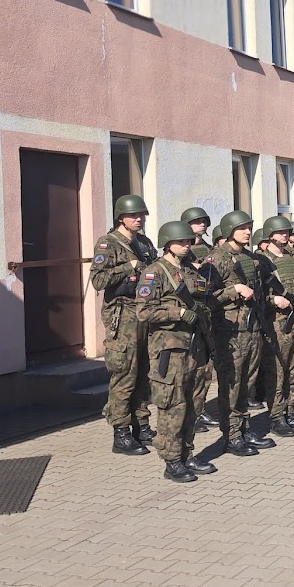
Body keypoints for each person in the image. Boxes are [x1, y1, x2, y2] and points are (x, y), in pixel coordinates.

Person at [135, 221, 215, 482]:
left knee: (194, 403)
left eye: (189, 241)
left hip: (195, 347)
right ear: (167, 242)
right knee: (173, 405)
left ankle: (186, 453)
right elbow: (143, 311)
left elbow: (204, 301)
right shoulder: (154, 273)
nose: (186, 245)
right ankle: (171, 461)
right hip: (170, 350)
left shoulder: (190, 272)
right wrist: (177, 312)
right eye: (180, 241)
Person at [90, 194, 159, 456]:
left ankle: (141, 425)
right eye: (133, 216)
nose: (138, 219)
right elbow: (98, 281)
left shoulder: (144, 242)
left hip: (144, 313)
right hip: (123, 317)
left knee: (144, 372)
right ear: (121, 217)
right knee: (124, 374)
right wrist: (127, 266)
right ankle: (121, 432)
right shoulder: (109, 244)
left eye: (141, 215)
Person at [200, 211, 272, 457]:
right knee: (231, 385)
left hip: (251, 329)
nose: (248, 232)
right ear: (230, 230)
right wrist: (233, 290)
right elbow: (205, 298)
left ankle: (243, 428)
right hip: (228, 333)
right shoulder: (215, 259)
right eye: (242, 228)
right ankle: (230, 436)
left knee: (246, 385)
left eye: (250, 227)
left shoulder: (250, 258)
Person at [258, 216, 294, 437]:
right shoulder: (261, 261)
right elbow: (258, 295)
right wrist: (274, 301)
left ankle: (291, 412)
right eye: (280, 232)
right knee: (277, 372)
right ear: (270, 234)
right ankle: (276, 417)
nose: (284, 235)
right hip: (275, 323)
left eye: (286, 232)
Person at [181, 207, 220, 433]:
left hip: (208, 312)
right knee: (190, 369)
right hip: (190, 315)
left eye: (204, 221)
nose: (202, 225)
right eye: (196, 222)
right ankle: (189, 414)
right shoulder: (181, 251)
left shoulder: (209, 249)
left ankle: (200, 408)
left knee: (206, 370)